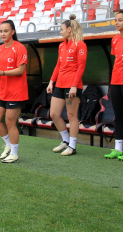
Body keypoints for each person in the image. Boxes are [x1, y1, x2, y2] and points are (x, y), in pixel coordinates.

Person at [47, 15, 87, 156]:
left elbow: (81, 67)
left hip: (73, 86)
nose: (60, 32)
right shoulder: (62, 45)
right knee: (54, 114)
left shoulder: (80, 44)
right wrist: (52, 81)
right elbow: (58, 65)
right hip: (60, 84)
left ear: (69, 30)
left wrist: (74, 86)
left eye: (62, 29)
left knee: (71, 115)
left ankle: (72, 146)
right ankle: (65, 140)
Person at [0, 20, 28, 163]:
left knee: (10, 122)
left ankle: (14, 153)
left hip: (16, 92)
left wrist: (2, 73)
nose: (3, 34)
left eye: (6, 31)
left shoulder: (19, 48)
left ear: (13, 32)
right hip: (2, 91)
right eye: (1, 31)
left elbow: (21, 70)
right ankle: (8, 145)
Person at [104, 8, 123, 161]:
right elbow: (117, 61)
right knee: (118, 115)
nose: (116, 23)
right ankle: (117, 148)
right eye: (116, 20)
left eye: (120, 20)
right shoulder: (115, 39)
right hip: (116, 82)